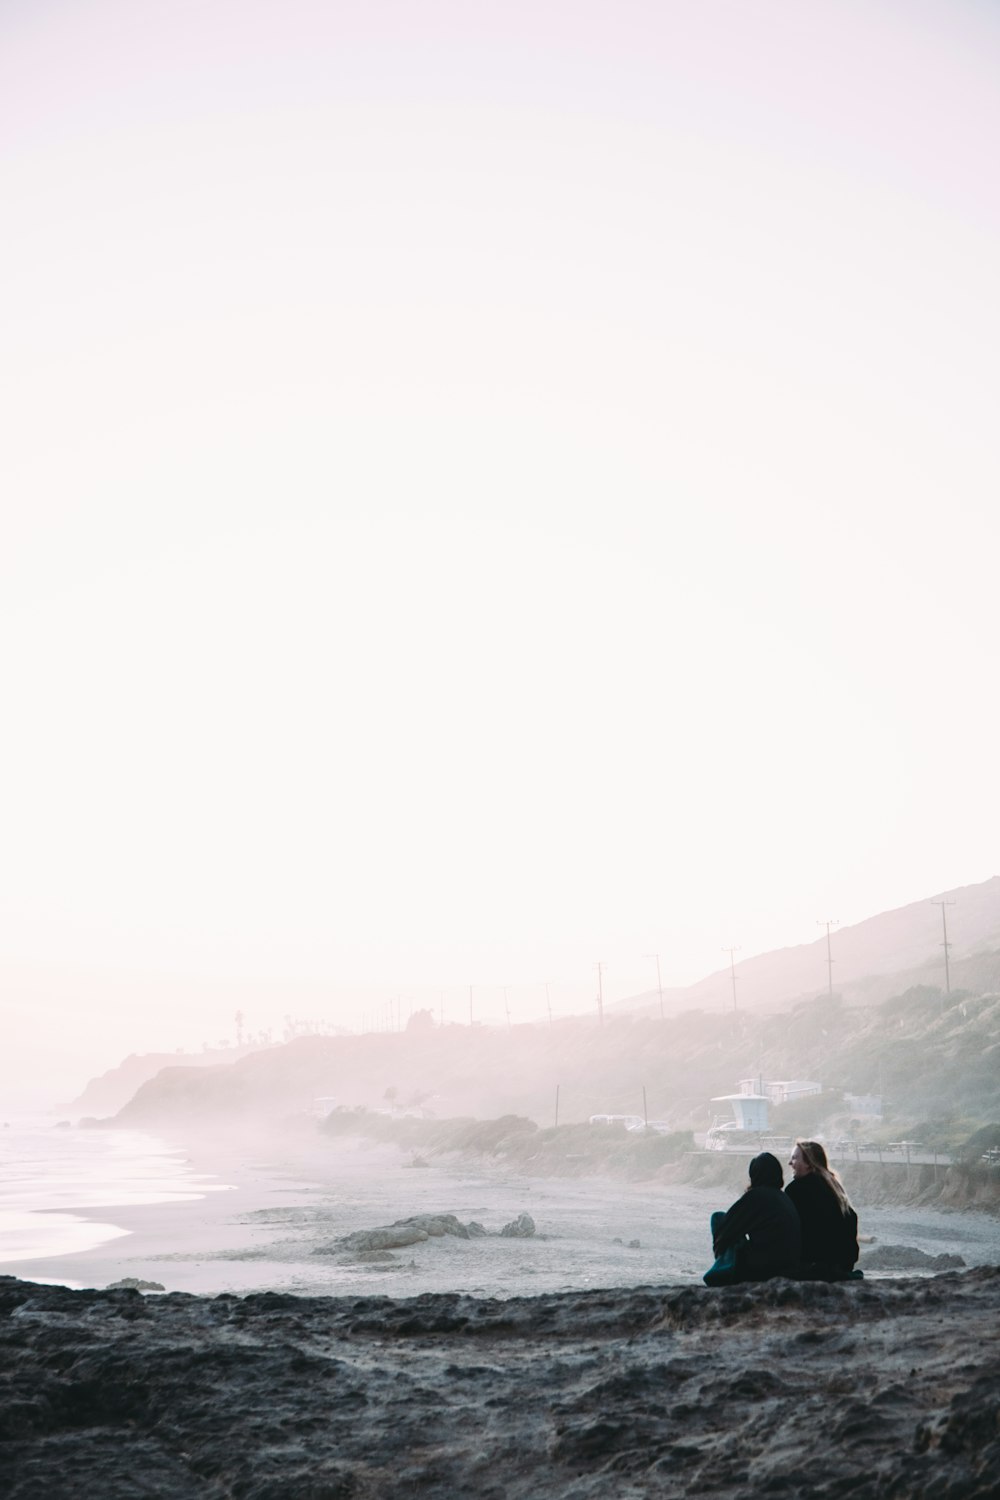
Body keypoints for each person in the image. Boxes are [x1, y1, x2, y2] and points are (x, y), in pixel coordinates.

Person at [703, 1151, 801, 1286]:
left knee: (718, 1218)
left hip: (765, 1266)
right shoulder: (782, 1196)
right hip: (788, 1264)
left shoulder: (757, 1196)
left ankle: (722, 1269)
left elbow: (727, 1227)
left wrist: (720, 1250)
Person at [785, 1139, 861, 1280]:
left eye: (794, 1158)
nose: (790, 1163)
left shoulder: (796, 1190)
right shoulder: (834, 1186)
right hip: (841, 1266)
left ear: (809, 1164)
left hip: (813, 1268)